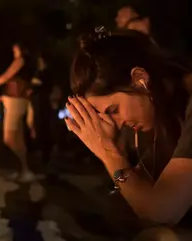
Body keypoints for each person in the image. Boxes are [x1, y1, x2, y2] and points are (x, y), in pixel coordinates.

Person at [66, 27, 192, 235]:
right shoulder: (166, 109)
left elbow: (160, 212)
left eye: (113, 110)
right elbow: (142, 193)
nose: (117, 123)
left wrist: (108, 152)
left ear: (139, 78)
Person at [0, 44, 36, 183]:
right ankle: (23, 170)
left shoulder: (20, 61)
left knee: (10, 138)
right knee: (17, 138)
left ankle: (24, 169)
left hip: (15, 103)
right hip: (15, 102)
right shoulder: (25, 65)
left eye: (16, 48)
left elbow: (6, 76)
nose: (13, 50)